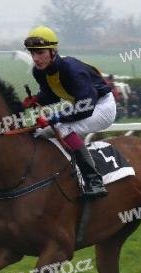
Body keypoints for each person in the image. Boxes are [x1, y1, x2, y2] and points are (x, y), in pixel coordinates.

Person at [22, 26, 116, 199]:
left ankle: (94, 181)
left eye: (40, 53)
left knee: (62, 127)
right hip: (82, 107)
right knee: (41, 133)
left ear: (53, 51)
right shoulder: (39, 72)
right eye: (32, 53)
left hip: (102, 107)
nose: (36, 58)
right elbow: (52, 95)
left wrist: (54, 118)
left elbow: (86, 106)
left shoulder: (71, 69)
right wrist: (37, 99)